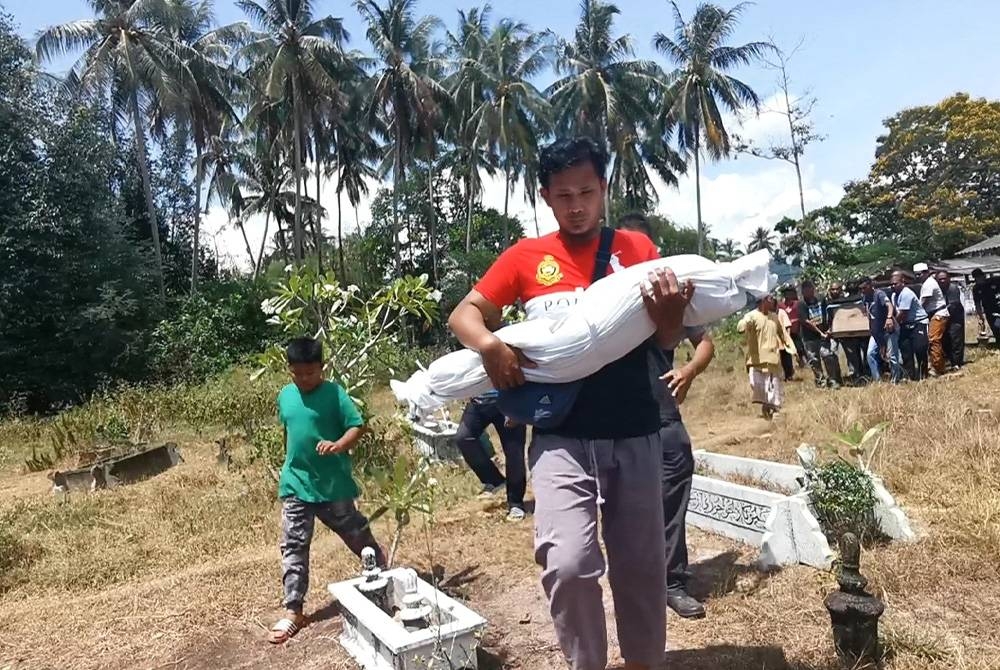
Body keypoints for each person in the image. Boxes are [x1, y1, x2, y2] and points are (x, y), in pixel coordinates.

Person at [448, 137, 689, 670]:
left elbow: (666, 341)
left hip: (635, 428)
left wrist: (672, 314)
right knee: (569, 565)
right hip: (561, 436)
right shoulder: (525, 257)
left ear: (603, 189)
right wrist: (489, 345)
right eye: (563, 195)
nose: (576, 205)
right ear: (546, 198)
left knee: (643, 569)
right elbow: (464, 314)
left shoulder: (638, 249)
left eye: (586, 191)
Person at [620, 212, 714, 619]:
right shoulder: (609, 296)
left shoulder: (671, 294)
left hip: (662, 413)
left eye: (646, 250)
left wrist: (688, 370)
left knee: (674, 487)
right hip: (615, 419)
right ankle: (636, 577)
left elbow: (705, 343)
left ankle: (672, 581)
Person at [270, 337, 386, 644]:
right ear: (289, 370)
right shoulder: (285, 396)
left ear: (322, 368)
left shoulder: (334, 394)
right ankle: (293, 609)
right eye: (298, 374)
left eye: (310, 373)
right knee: (293, 545)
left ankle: (384, 580)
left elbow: (357, 426)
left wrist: (338, 445)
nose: (304, 379)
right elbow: (291, 434)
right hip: (296, 484)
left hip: (333, 486)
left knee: (356, 534)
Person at [454, 390, 528, 521]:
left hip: (510, 398)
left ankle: (516, 503)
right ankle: (494, 480)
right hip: (479, 401)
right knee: (463, 437)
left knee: (513, 451)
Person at [738, 294, 793, 418]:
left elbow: (782, 333)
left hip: (772, 359)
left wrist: (790, 347)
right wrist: (746, 323)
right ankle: (768, 404)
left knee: (774, 385)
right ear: (763, 301)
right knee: (755, 384)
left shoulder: (774, 317)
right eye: (770, 299)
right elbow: (741, 328)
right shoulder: (751, 316)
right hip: (755, 359)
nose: (773, 301)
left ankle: (776, 411)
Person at [798, 280, 842, 388]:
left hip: (824, 334)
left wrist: (829, 329)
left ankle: (833, 379)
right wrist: (820, 332)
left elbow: (829, 313)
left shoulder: (821, 300)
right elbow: (806, 322)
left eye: (811, 289)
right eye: (806, 290)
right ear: (803, 292)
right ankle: (820, 381)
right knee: (814, 359)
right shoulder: (801, 304)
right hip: (809, 337)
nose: (810, 292)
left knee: (827, 355)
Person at [859, 277, 902, 383]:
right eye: (861, 289)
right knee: (870, 354)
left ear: (870, 285)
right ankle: (878, 380)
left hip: (888, 329)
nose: (863, 290)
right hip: (876, 332)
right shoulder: (864, 298)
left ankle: (895, 380)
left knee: (892, 356)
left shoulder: (879, 294)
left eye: (865, 287)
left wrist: (889, 317)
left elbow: (889, 305)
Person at [826, 282, 868, 385]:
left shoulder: (858, 301)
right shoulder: (831, 303)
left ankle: (861, 376)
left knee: (857, 355)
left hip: (856, 332)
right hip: (845, 332)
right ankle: (858, 376)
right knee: (853, 355)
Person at [890, 271, 929, 381]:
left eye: (895, 284)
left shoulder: (907, 293)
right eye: (891, 284)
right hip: (905, 324)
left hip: (918, 323)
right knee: (906, 350)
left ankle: (923, 375)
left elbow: (902, 314)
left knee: (920, 349)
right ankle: (909, 376)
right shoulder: (894, 295)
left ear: (902, 282)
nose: (893, 286)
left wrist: (892, 326)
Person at [916, 262, 949, 376]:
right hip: (934, 314)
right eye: (916, 274)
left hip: (938, 313)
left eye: (919, 274)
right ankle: (938, 364)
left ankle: (938, 368)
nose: (917, 277)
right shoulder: (927, 283)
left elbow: (923, 303)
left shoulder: (928, 284)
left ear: (925, 273)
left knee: (934, 340)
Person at [937, 271, 965, 369]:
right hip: (944, 318)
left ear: (949, 278)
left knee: (956, 340)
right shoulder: (938, 289)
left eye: (944, 278)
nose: (942, 280)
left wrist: (940, 312)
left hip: (955, 318)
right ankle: (950, 360)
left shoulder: (953, 288)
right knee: (945, 340)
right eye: (940, 279)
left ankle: (957, 362)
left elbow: (953, 305)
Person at [778, 285, 805, 368]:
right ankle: (788, 369)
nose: (788, 295)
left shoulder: (797, 304)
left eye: (790, 293)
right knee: (786, 351)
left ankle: (802, 363)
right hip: (785, 332)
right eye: (786, 293)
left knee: (800, 348)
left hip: (797, 330)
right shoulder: (780, 305)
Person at [972, 268, 1000, 346]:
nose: (979, 280)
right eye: (976, 278)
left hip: (998, 307)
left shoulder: (995, 280)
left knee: (998, 325)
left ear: (983, 275)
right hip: (989, 311)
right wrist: (980, 316)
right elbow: (977, 303)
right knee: (995, 328)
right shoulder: (976, 288)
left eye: (979, 277)